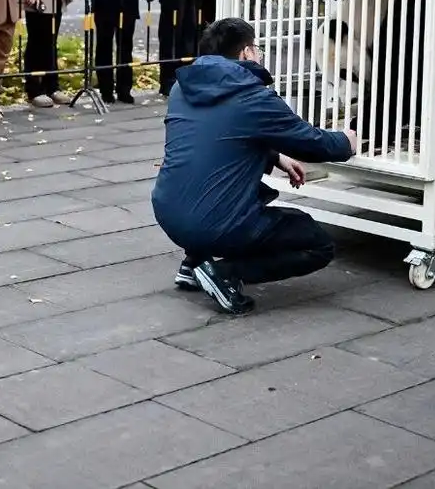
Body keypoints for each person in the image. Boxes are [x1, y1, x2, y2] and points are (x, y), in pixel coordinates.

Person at [152, 18, 358, 314]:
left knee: (215, 184)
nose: (260, 55)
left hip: (169, 211)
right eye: (258, 49)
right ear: (247, 53)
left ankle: (194, 262)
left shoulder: (182, 90)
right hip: (213, 223)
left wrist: (276, 157)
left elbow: (220, 136)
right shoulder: (251, 95)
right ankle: (223, 275)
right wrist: (345, 142)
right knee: (317, 244)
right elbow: (310, 141)